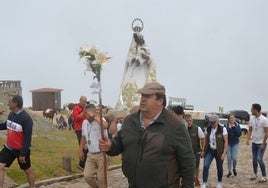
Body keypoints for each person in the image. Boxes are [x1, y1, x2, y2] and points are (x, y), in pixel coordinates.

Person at [99, 81, 195, 187]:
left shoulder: (175, 125)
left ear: (160, 100)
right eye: (142, 95)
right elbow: (120, 143)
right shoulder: (130, 121)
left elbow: (188, 162)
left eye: (148, 96)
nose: (143, 99)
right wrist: (110, 146)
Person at [0, 95, 35, 187]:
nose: (8, 103)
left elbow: (28, 138)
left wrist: (23, 153)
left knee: (27, 170)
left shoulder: (26, 119)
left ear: (15, 104)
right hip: (9, 148)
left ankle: (32, 186)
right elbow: (4, 126)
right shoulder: (11, 114)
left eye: (10, 102)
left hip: (21, 150)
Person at [79, 103, 108, 188]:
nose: (87, 115)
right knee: (87, 176)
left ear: (93, 112)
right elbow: (83, 137)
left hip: (102, 154)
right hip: (90, 154)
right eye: (86, 113)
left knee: (102, 178)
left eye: (88, 113)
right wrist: (80, 150)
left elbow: (105, 126)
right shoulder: (85, 122)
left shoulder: (100, 120)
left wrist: (94, 116)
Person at [201, 115, 228, 188]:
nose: (212, 124)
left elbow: (226, 142)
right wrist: (203, 150)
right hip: (210, 150)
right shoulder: (208, 129)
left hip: (219, 151)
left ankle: (219, 182)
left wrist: (224, 153)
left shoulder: (223, 129)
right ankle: (204, 183)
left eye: (213, 123)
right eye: (211, 123)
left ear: (217, 122)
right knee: (206, 165)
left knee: (219, 167)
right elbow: (205, 140)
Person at [246, 103, 268, 183]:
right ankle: (255, 174)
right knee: (254, 159)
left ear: (256, 110)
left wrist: (263, 144)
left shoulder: (264, 119)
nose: (251, 110)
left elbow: (266, 133)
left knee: (259, 159)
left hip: (262, 143)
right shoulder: (252, 118)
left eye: (252, 109)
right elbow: (250, 129)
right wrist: (248, 139)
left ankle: (264, 176)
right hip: (254, 143)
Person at [185, 114, 205, 186]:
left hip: (196, 151)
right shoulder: (183, 129)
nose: (189, 122)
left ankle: (196, 179)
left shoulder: (197, 128)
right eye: (187, 121)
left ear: (192, 120)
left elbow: (203, 139)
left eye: (190, 121)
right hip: (186, 152)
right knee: (186, 167)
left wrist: (203, 150)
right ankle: (186, 180)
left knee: (196, 166)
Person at [72, 96, 88, 170]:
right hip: (79, 129)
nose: (84, 103)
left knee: (87, 147)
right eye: (83, 101)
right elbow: (77, 118)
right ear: (80, 100)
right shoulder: (76, 108)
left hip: (87, 129)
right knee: (83, 147)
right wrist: (84, 111)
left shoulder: (86, 108)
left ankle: (85, 164)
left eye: (85, 101)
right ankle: (81, 165)